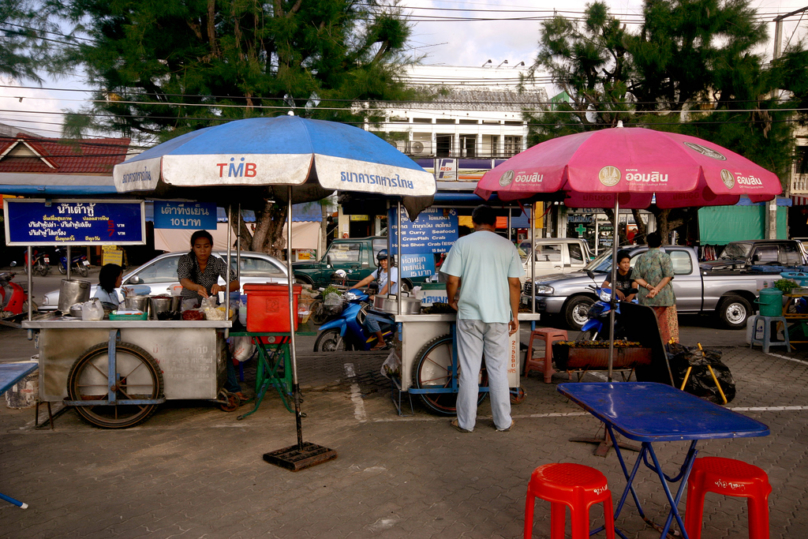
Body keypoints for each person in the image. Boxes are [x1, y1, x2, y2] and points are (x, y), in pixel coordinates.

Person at [441, 205, 523, 433]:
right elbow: (515, 283)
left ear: (473, 222)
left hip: (469, 315)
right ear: (495, 223)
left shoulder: (462, 244)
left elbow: (451, 279)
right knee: (497, 369)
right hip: (498, 316)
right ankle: (503, 421)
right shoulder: (507, 246)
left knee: (469, 369)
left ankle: (466, 422)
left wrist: (451, 300)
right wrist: (514, 315)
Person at [177, 230, 245, 399]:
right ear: (192, 247)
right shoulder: (185, 260)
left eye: (206, 246)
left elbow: (236, 282)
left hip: (210, 311)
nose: (202, 250)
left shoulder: (216, 262)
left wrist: (221, 287)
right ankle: (191, 388)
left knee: (219, 347)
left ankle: (233, 388)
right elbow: (183, 280)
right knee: (190, 347)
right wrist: (196, 287)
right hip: (189, 309)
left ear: (211, 247)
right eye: (198, 246)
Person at [631, 232, 679, 343]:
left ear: (648, 244)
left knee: (648, 327)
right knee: (666, 329)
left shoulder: (641, 258)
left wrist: (649, 287)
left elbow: (636, 277)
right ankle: (666, 351)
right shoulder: (665, 257)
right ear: (660, 243)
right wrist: (656, 290)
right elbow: (668, 276)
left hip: (646, 299)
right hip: (665, 299)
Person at [355, 250, 399, 350]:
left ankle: (381, 342)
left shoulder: (394, 271)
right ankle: (374, 337)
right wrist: (352, 288)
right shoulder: (379, 271)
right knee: (363, 315)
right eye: (381, 261)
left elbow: (388, 285)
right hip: (381, 303)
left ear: (390, 260)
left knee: (370, 317)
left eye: (385, 260)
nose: (383, 262)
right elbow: (367, 280)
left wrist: (378, 296)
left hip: (390, 304)